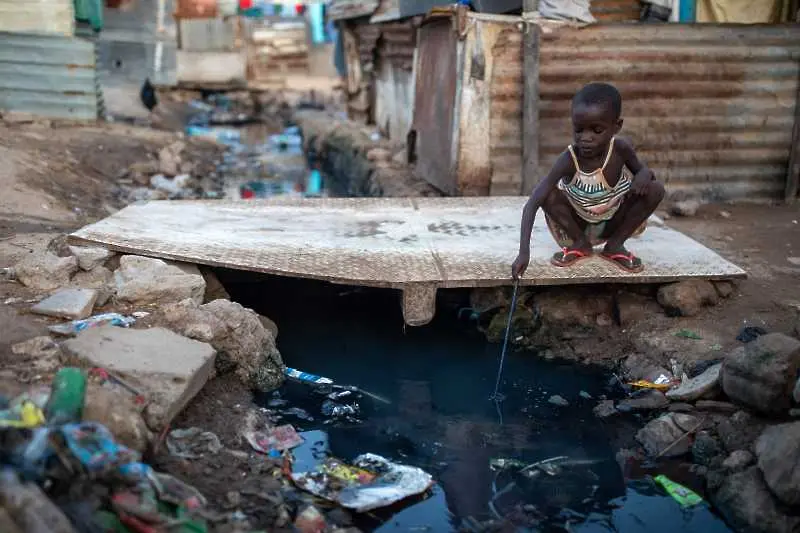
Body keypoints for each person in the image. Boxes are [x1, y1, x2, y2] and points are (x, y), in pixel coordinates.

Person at [511, 82, 664, 278]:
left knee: (655, 190)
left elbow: (643, 173)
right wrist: (524, 253)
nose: (585, 138)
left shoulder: (620, 150)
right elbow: (532, 204)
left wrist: (645, 174)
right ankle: (580, 244)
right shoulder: (568, 159)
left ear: (616, 127)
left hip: (614, 220)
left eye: (596, 130)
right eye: (579, 130)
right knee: (546, 193)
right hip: (577, 224)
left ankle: (615, 245)